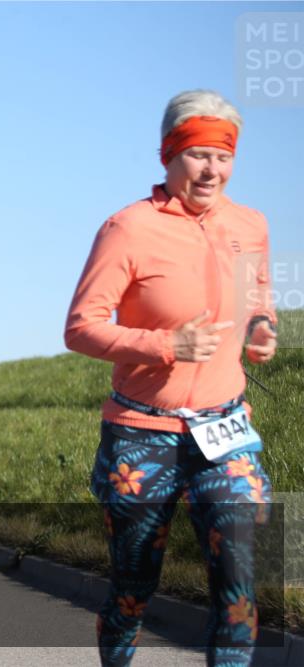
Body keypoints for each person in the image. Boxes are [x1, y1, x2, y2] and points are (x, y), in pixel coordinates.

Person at [64, 90, 278, 667]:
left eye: (224, 157)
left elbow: (258, 300)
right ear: (168, 156)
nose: (213, 170)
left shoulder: (250, 226)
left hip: (224, 431)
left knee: (238, 580)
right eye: (198, 155)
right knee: (134, 586)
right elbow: (80, 329)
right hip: (141, 433)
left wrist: (262, 329)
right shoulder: (128, 228)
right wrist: (166, 345)